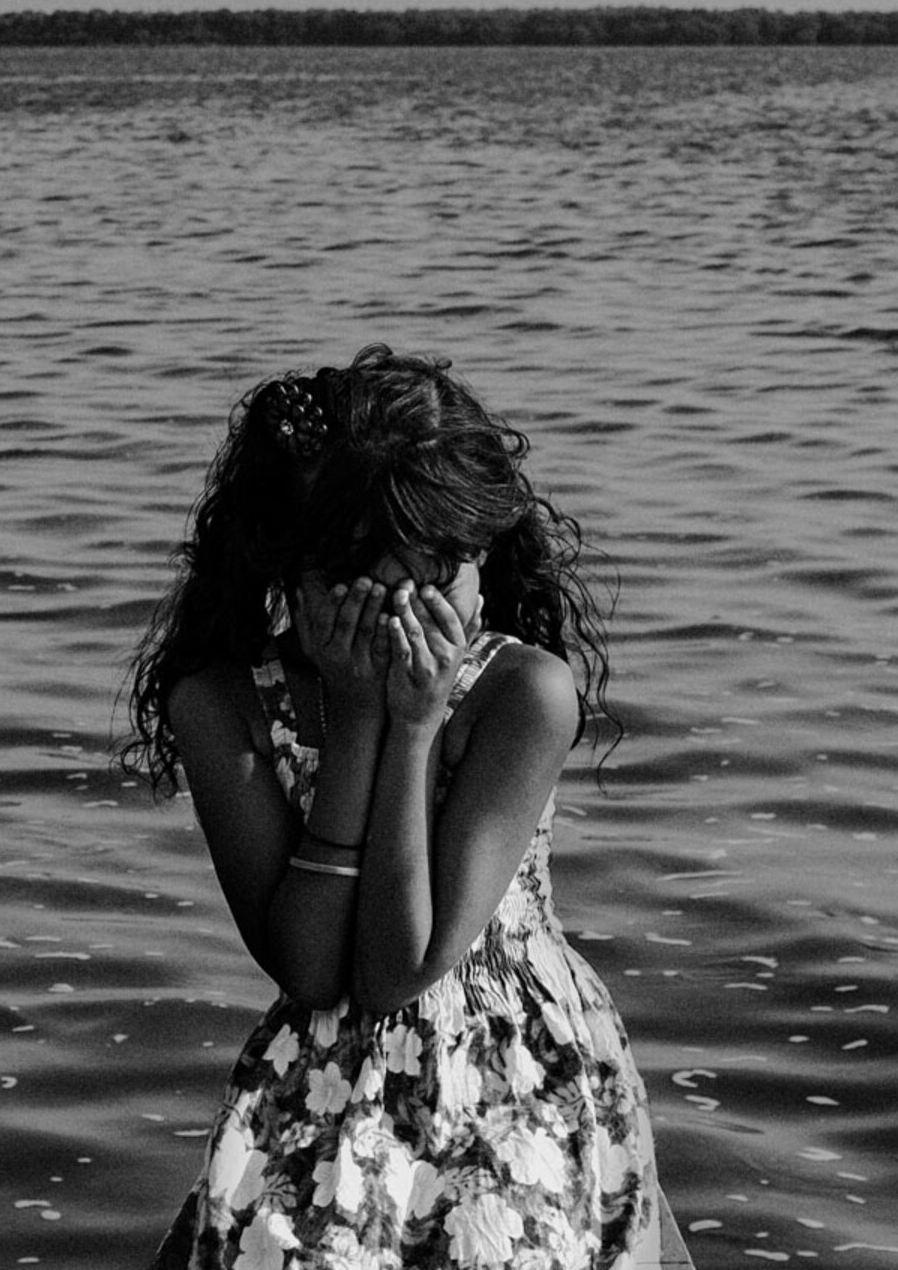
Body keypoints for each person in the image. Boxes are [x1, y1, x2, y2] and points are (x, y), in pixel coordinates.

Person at [129, 346, 686, 1269]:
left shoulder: (522, 695)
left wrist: (415, 727)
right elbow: (313, 972)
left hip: (506, 1067)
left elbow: (402, 969)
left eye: (447, 574)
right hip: (318, 1077)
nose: (416, 615)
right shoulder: (220, 703)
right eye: (373, 588)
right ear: (293, 573)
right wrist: (356, 726)